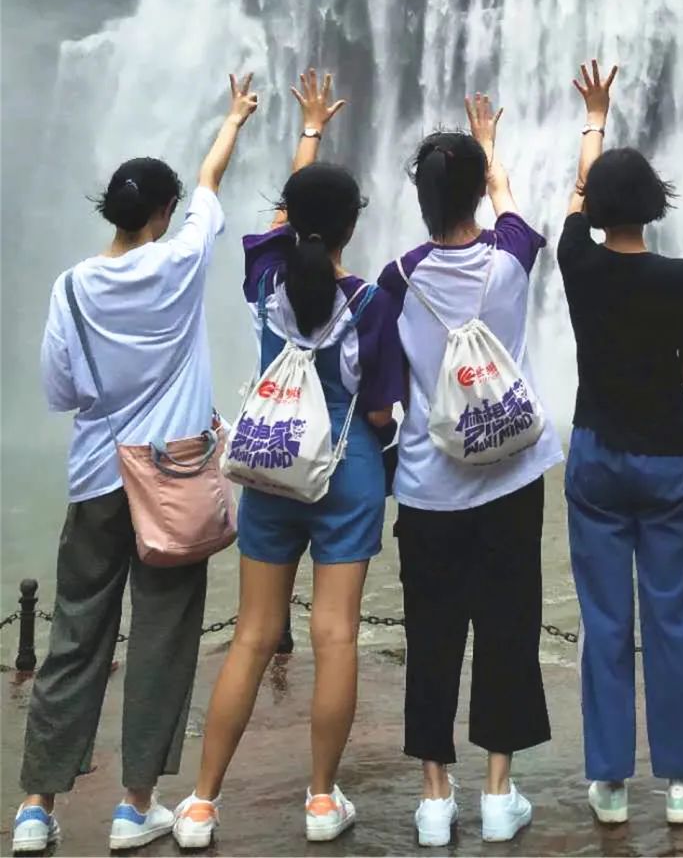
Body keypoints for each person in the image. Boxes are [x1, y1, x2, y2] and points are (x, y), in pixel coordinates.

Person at [13, 75, 258, 857]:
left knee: (74, 637)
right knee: (162, 639)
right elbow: (211, 181)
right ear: (161, 213)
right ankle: (134, 807)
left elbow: (60, 390)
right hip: (174, 481)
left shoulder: (71, 289)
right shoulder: (182, 261)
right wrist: (234, 117)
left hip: (97, 479)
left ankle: (35, 809)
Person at [172, 71, 405, 850]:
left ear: (293, 221)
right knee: (336, 635)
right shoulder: (371, 302)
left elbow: (286, 218)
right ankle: (321, 799)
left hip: (270, 464)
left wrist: (307, 132)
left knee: (251, 634)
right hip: (346, 470)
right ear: (352, 227)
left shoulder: (265, 275)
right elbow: (380, 411)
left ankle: (201, 804)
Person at [378, 94, 563, 847]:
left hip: (429, 488)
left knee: (431, 634)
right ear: (476, 191)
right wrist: (490, 148)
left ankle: (433, 799)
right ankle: (496, 791)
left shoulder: (397, 281)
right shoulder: (510, 258)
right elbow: (509, 204)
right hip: (512, 477)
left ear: (421, 200)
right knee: (508, 628)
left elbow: (386, 390)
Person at [557, 61, 683, 828]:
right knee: (678, 617)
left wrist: (594, 119)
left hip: (595, 455)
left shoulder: (576, 261)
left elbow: (576, 198)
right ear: (657, 206)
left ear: (596, 208)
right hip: (665, 456)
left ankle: (609, 784)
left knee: (604, 620)